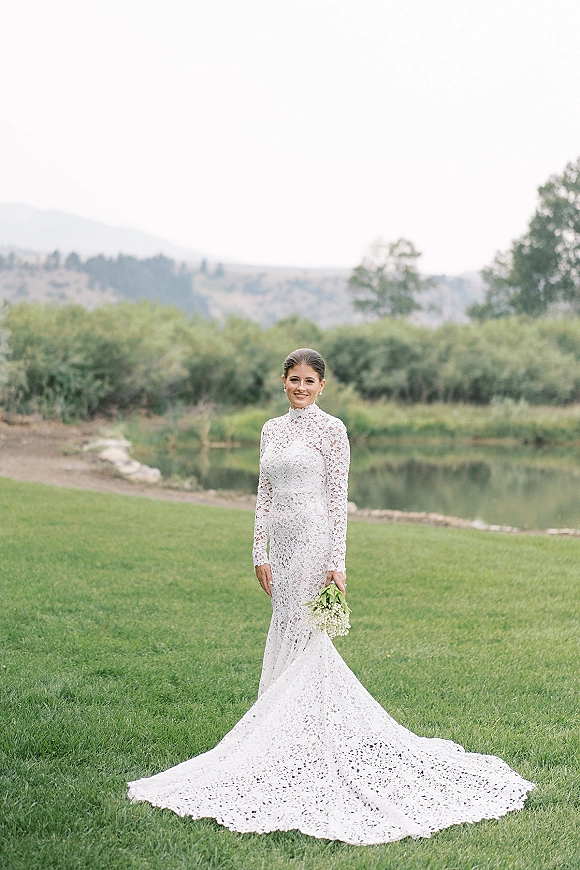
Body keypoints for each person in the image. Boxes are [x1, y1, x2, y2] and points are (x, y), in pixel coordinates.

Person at [128, 347, 534, 845]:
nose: (300, 388)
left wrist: (336, 563)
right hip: (281, 542)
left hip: (315, 539)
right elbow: (265, 493)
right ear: (282, 382)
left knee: (310, 637)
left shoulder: (332, 430)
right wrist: (259, 551)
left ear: (323, 385)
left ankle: (310, 735)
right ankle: (279, 733)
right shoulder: (271, 430)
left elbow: (338, 500)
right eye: (293, 379)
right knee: (285, 631)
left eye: (309, 381)